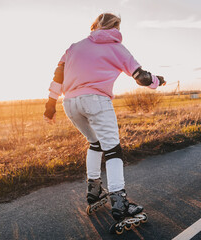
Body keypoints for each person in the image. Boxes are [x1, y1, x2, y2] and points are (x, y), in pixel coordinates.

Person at [43, 13, 166, 222]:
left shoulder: (74, 47)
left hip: (70, 103)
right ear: (116, 27)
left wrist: (50, 106)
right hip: (96, 101)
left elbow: (58, 76)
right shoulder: (117, 47)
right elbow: (141, 77)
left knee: (95, 143)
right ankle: (120, 202)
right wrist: (158, 80)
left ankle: (94, 191)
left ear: (94, 26)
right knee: (113, 149)